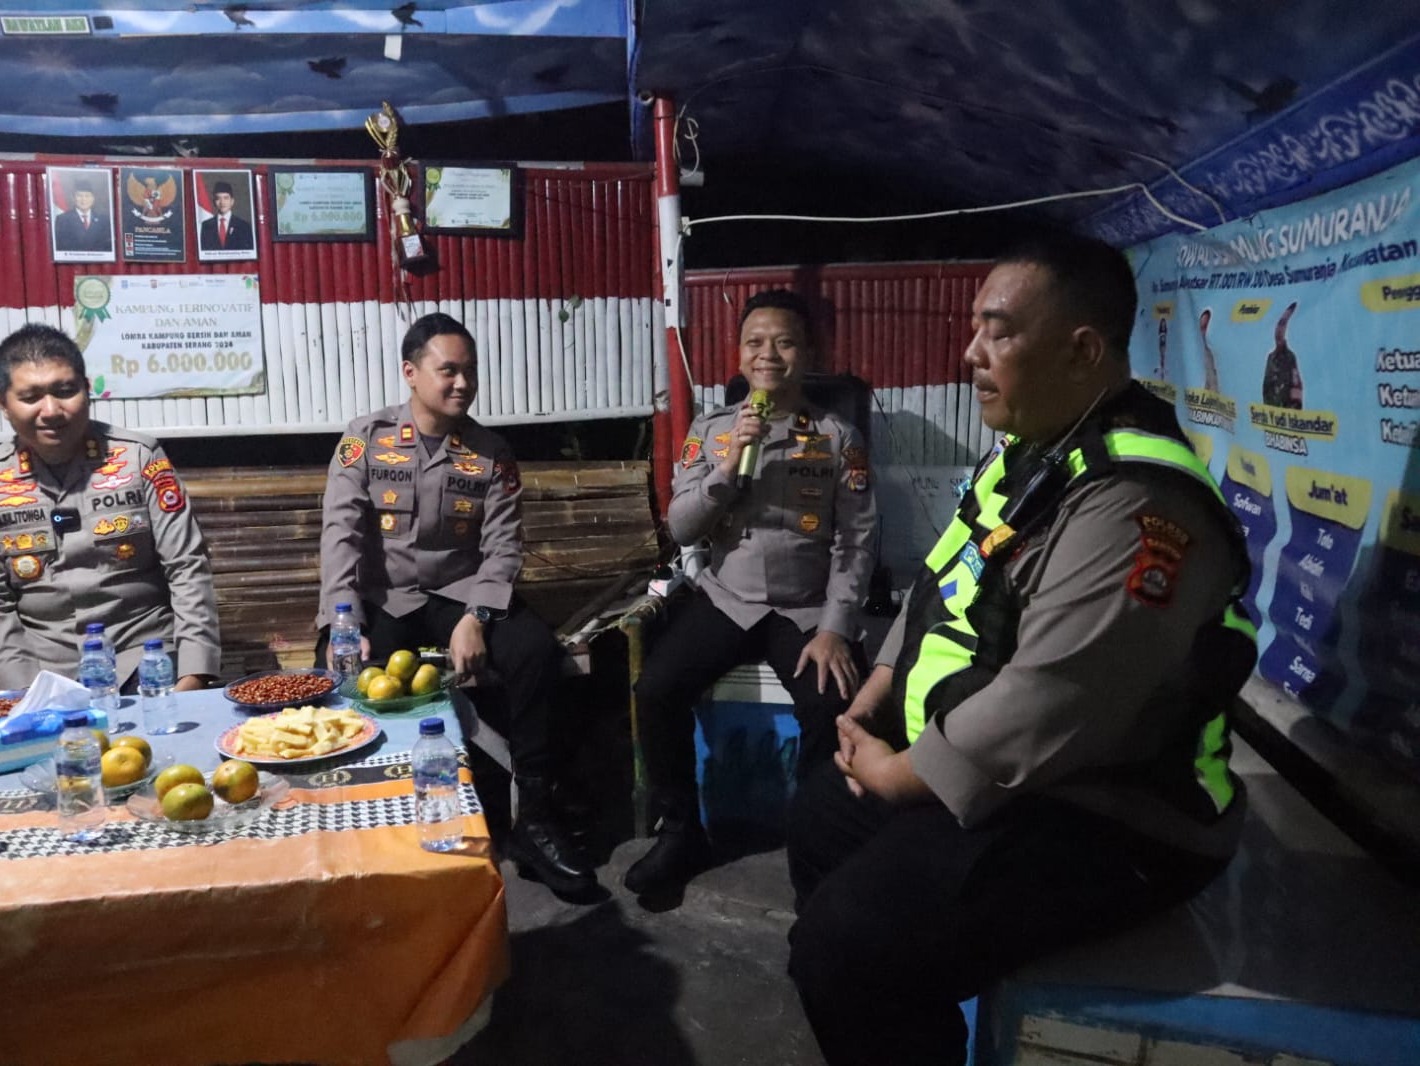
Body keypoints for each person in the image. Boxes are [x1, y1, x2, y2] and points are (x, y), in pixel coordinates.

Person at [784, 234, 1258, 1066]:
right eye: (973, 329)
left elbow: (1055, 696)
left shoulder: (1134, 500)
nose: (970, 353)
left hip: (1113, 815)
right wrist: (879, 689)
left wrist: (901, 774)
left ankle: (871, 988)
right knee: (821, 811)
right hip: (1017, 774)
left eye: (997, 332)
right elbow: (940, 583)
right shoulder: (1031, 452)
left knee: (845, 942)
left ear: (1081, 351)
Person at [317, 312, 595, 898]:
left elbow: (503, 548)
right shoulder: (364, 439)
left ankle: (535, 818)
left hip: (459, 596)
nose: (462, 383)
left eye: (469, 371)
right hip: (384, 598)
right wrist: (344, 621)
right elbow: (340, 536)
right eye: (448, 371)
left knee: (534, 652)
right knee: (347, 672)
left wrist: (478, 617)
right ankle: (370, 825)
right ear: (411, 372)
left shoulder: (491, 452)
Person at [624, 289, 878, 899]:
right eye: (755, 342)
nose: (769, 354)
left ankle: (818, 849)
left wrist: (835, 628)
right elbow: (682, 526)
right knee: (655, 689)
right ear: (738, 355)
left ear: (807, 354)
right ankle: (681, 832)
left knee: (834, 704)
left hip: (807, 607)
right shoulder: (712, 430)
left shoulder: (838, 437)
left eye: (785, 342)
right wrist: (730, 461)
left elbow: (857, 541)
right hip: (726, 598)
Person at [0, 324, 221, 695]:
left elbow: (187, 566)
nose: (51, 411)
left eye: (66, 391)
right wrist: (26, 694)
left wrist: (194, 673)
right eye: (30, 397)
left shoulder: (138, 458)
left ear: (87, 388)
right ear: (4, 404)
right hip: (36, 667)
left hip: (142, 655)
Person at [52, 178, 112, 252]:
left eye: (87, 196)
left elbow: (107, 246)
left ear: (93, 199)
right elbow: (60, 246)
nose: (83, 200)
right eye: (79, 196)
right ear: (73, 198)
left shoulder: (104, 220)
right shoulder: (62, 219)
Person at [199, 180, 253, 250]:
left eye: (226, 198)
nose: (222, 202)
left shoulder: (243, 226)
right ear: (214, 202)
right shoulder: (206, 225)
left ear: (232, 201)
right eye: (218, 198)